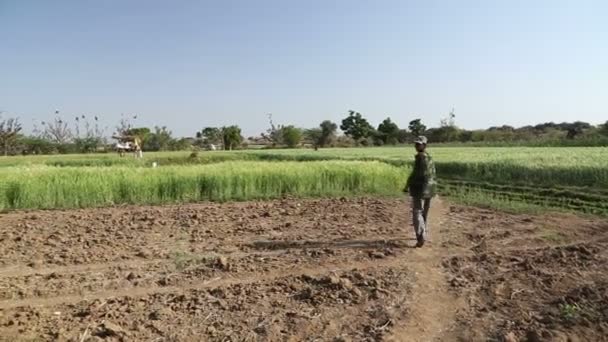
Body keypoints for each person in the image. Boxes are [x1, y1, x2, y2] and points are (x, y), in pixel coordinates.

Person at [404, 136, 437, 247]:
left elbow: (416, 174)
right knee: (424, 212)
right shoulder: (429, 157)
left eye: (419, 144)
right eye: (416, 144)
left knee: (417, 212)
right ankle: (423, 232)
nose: (417, 146)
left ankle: (420, 236)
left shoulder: (420, 157)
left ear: (425, 145)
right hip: (430, 188)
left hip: (420, 188)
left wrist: (408, 185)